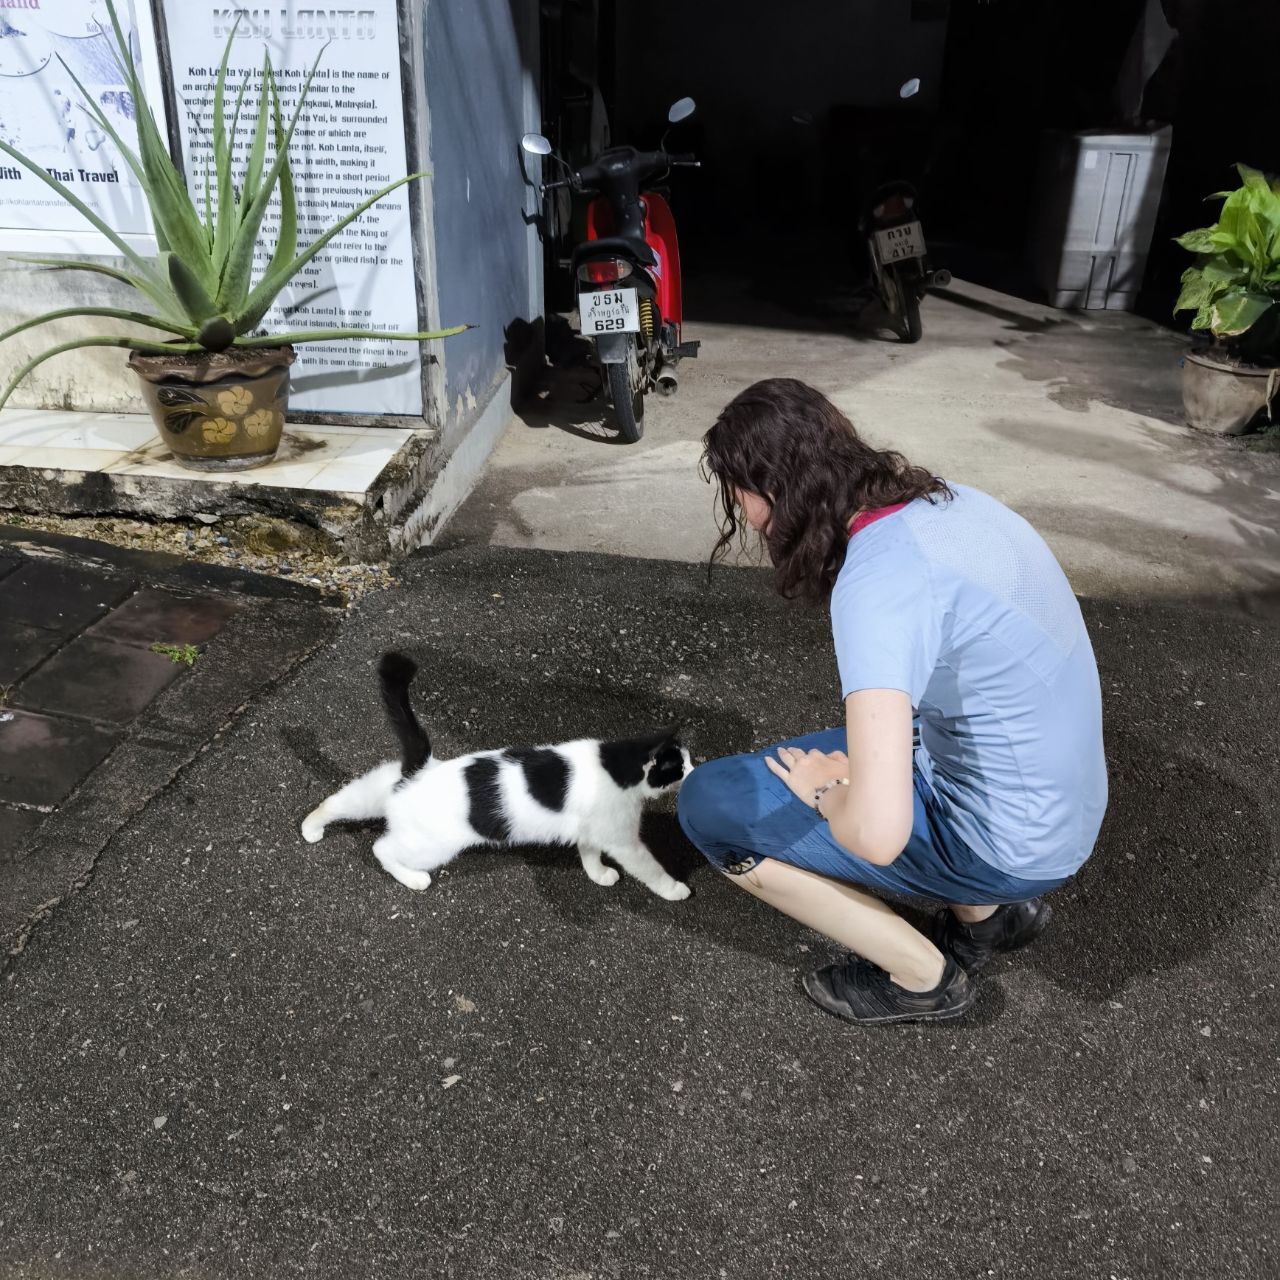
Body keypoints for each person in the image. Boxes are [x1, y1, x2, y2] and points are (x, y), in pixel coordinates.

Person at [677, 379, 1108, 1025]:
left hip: (1011, 846)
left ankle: (922, 978)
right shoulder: (954, 505)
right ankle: (990, 920)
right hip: (1062, 807)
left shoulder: (878, 585)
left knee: (710, 803)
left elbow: (876, 837)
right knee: (906, 733)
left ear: (775, 489)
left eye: (740, 492)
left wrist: (829, 790)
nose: (746, 512)